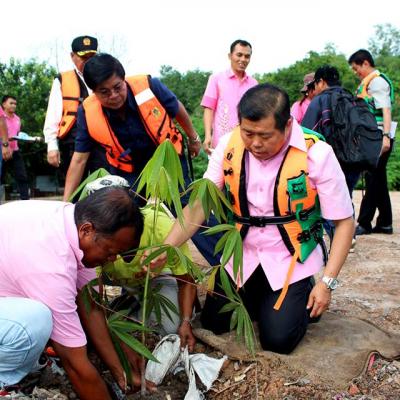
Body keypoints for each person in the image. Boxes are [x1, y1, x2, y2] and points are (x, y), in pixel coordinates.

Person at [150, 83, 354, 354]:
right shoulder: (229, 146)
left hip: (289, 258)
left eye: (265, 135)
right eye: (248, 133)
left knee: (278, 340)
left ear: (287, 125)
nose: (255, 143)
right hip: (241, 255)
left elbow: (344, 222)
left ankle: (300, 290)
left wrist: (327, 282)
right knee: (213, 322)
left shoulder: (316, 154)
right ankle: (263, 298)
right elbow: (200, 204)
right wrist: (166, 247)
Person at [62, 53, 221, 267]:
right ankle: (134, 275)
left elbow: (178, 110)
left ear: (124, 79)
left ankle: (225, 266)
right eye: (104, 92)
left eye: (117, 87)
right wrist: (65, 204)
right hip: (128, 170)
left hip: (168, 163)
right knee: (119, 219)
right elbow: (79, 160)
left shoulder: (148, 86)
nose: (114, 96)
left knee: (191, 209)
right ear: (94, 92)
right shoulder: (87, 112)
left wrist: (193, 138)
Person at [0, 187, 157, 398]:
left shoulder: (70, 223)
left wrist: (120, 370)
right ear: (86, 231)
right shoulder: (53, 263)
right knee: (35, 321)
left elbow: (91, 306)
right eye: (111, 252)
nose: (112, 260)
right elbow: (74, 364)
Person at [78, 173, 197, 350]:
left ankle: (134, 314)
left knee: (168, 328)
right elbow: (89, 289)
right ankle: (129, 308)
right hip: (123, 282)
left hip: (159, 279)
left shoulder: (160, 226)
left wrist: (186, 321)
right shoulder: (91, 238)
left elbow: (186, 280)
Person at [302, 66, 360, 247]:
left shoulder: (319, 101)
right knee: (345, 198)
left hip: (331, 162)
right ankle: (349, 236)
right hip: (354, 160)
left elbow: (307, 134)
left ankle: (340, 240)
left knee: (325, 203)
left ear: (321, 82)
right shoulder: (352, 99)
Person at [43, 35, 106, 179]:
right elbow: (53, 115)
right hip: (73, 142)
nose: (88, 61)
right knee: (75, 185)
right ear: (72, 56)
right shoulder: (62, 79)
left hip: (102, 140)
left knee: (104, 184)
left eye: (92, 57)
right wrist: (52, 146)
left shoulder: (105, 77)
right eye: (83, 57)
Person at [348, 49, 395, 235]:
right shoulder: (369, 82)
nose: (356, 72)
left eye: (356, 68)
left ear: (366, 63)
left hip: (379, 135)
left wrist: (386, 137)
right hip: (373, 135)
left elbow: (386, 110)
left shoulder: (377, 82)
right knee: (378, 178)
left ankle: (364, 222)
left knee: (372, 178)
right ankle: (385, 223)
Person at [201, 39, 258, 155]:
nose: (243, 59)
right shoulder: (216, 79)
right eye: (239, 55)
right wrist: (208, 136)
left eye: (247, 56)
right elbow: (209, 109)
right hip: (221, 144)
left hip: (246, 144)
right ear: (230, 56)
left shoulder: (254, 84)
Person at [0, 96, 30, 200]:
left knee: (22, 175)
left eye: (15, 104)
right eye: (11, 103)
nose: (14, 105)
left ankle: (25, 200)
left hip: (15, 151)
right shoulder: (1, 118)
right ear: (4, 104)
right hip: (2, 150)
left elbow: (17, 134)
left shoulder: (17, 119)